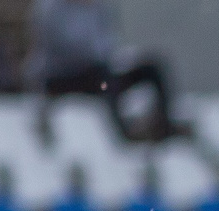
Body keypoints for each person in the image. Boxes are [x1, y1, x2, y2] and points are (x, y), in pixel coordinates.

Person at [27, 0, 174, 141]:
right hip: (62, 77)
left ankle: (162, 126)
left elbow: (109, 43)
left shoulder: (99, 7)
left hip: (99, 76)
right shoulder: (51, 7)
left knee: (150, 70)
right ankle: (125, 132)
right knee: (104, 79)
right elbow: (62, 46)